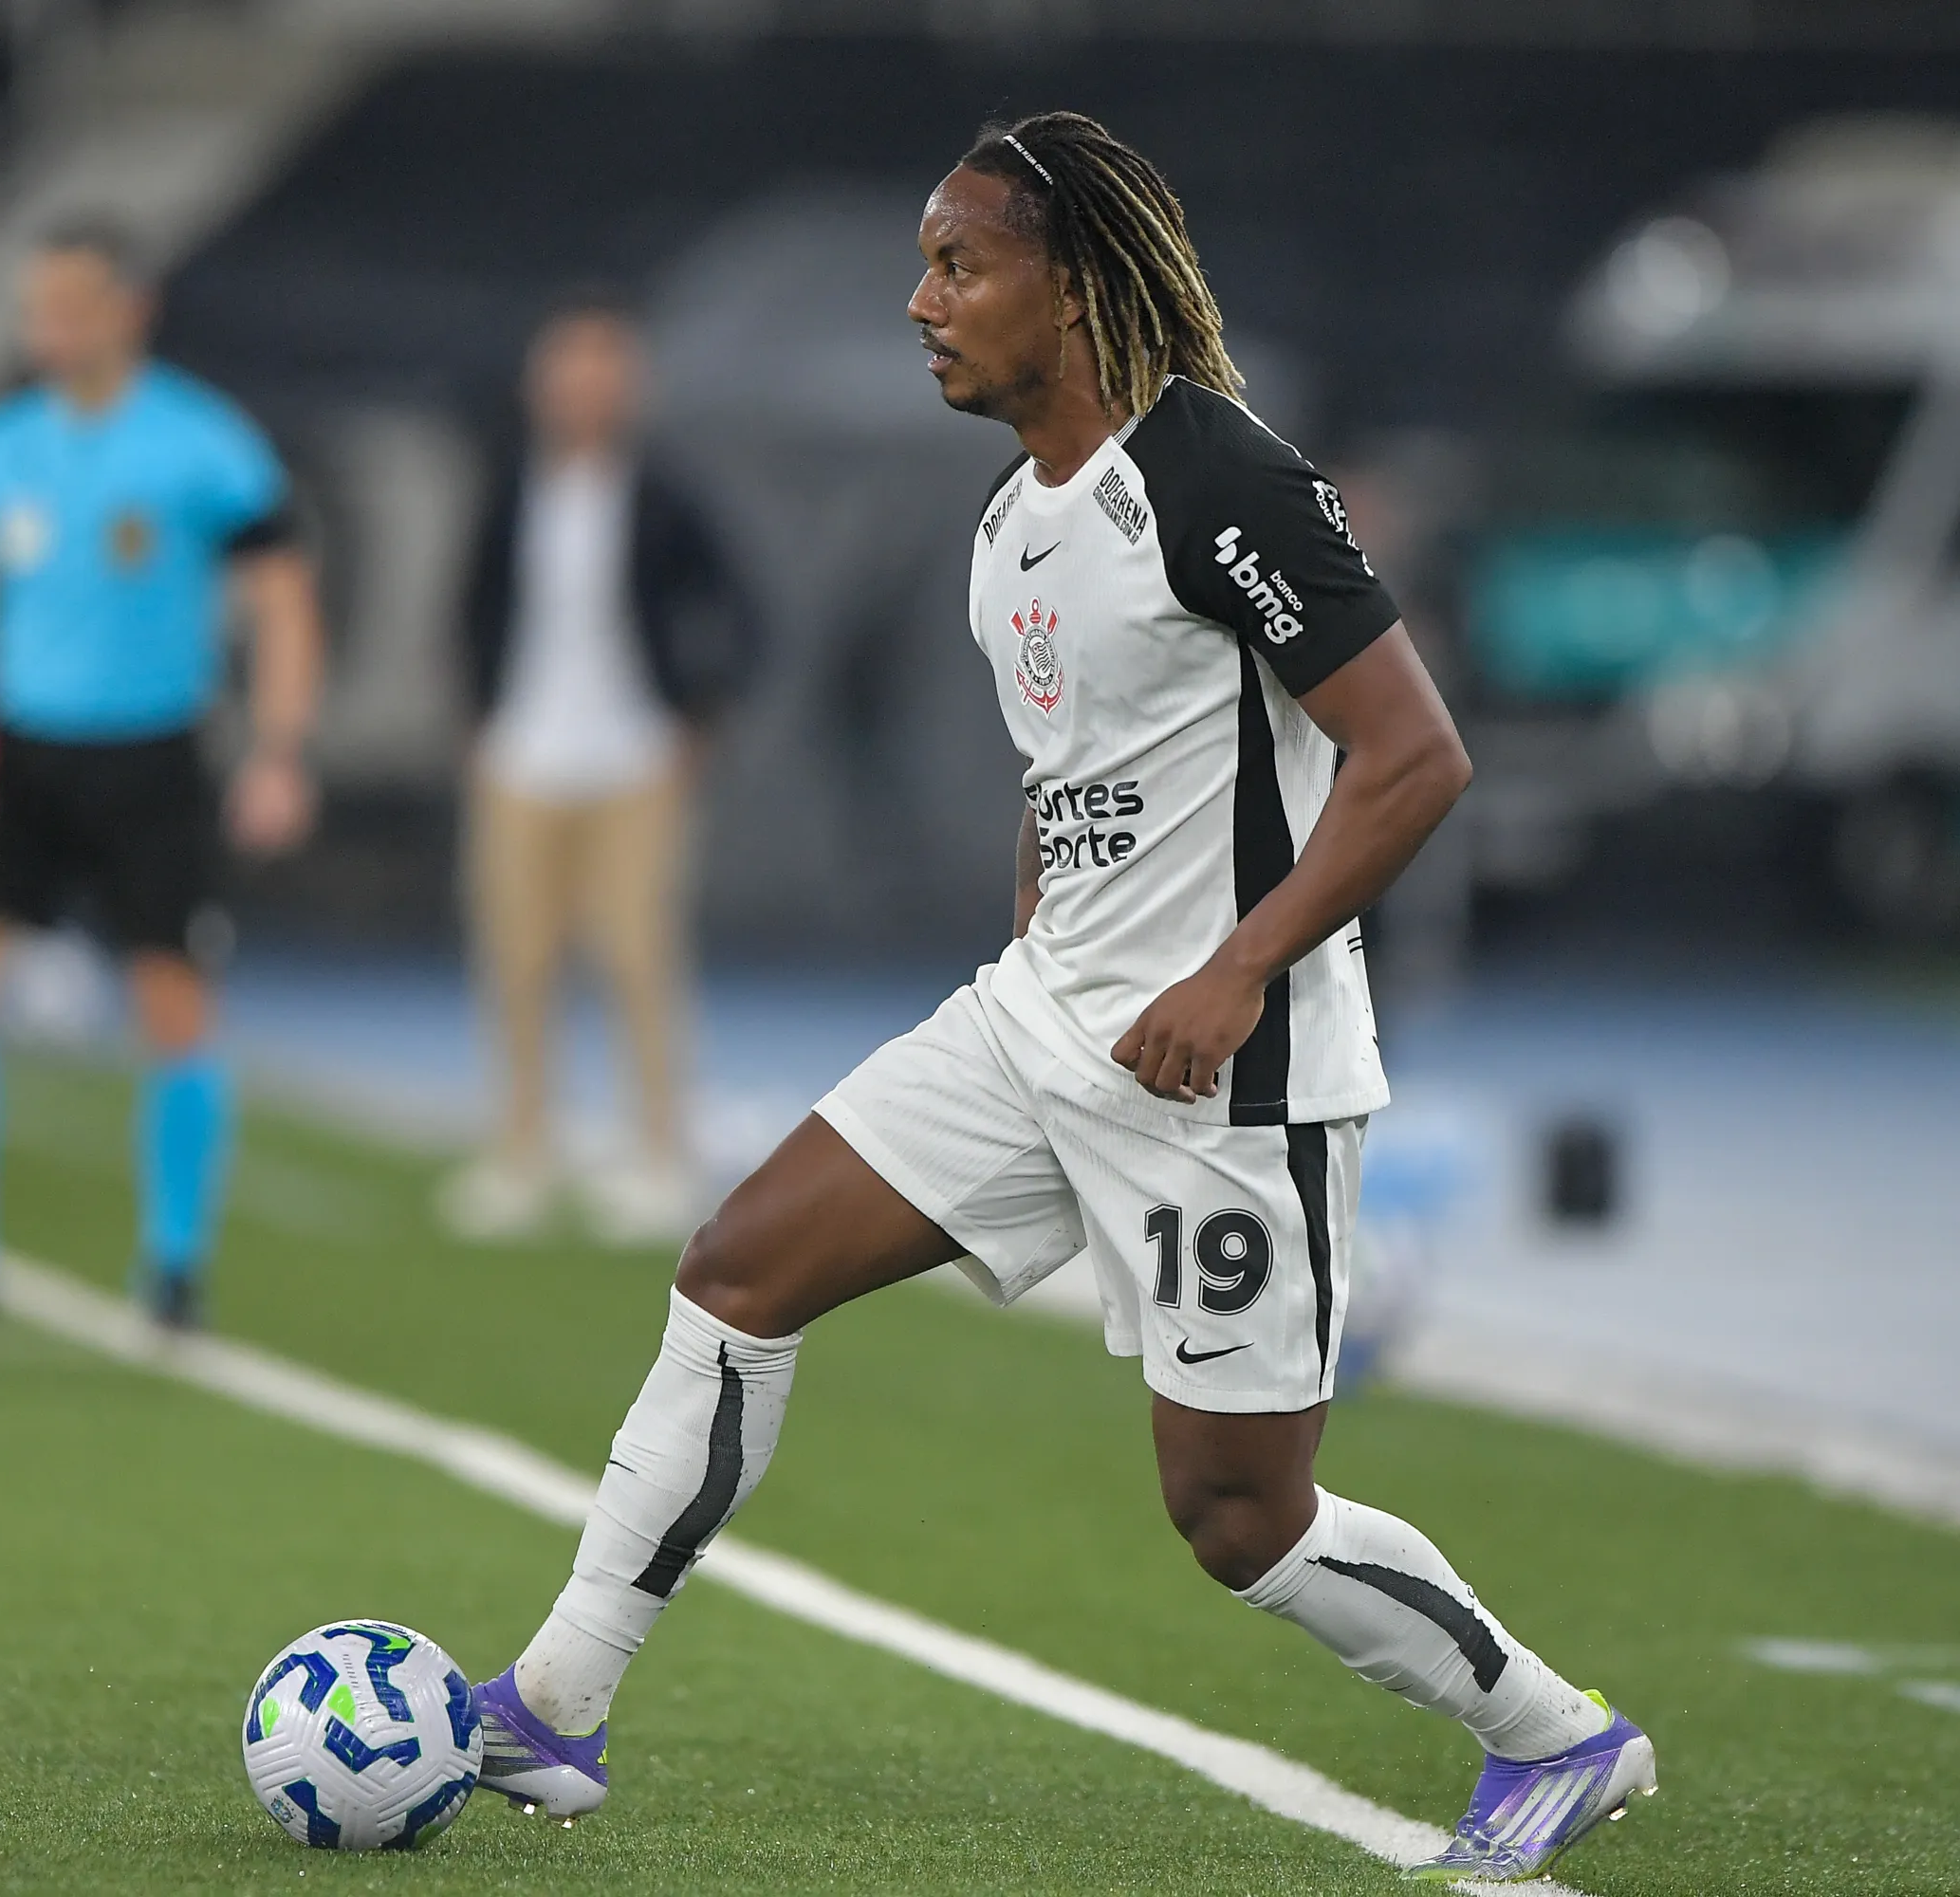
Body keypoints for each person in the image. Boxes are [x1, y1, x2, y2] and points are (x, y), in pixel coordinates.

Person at [463, 114, 1655, 1885]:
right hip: (1038, 1031)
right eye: (926, 264)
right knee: (736, 1268)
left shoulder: (1218, 476)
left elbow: (1414, 758)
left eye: (961, 265)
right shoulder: (1011, 528)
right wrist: (1054, 926)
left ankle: (1557, 1735)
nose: (922, 302)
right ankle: (555, 1702)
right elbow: (1075, 773)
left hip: (1227, 1086)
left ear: (1073, 287)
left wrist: (1239, 969)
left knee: (1237, 1520)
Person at [0, 219, 324, 1329]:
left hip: (151, 759)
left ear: (132, 308)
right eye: (38, 306)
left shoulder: (202, 443)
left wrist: (278, 749)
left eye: (73, 304)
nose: (49, 327)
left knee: (173, 1004)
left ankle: (174, 1269)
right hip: (21, 754)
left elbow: (283, 601)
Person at [441, 297, 760, 1244]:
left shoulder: (666, 494)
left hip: (631, 761)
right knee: (517, 957)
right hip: (523, 758)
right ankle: (521, 1151)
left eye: (600, 373)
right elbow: (471, 608)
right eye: (565, 373)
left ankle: (658, 1153)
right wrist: (479, 717)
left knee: (638, 957)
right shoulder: (510, 486)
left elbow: (741, 611)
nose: (581, 393)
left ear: (628, 387)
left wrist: (696, 716)